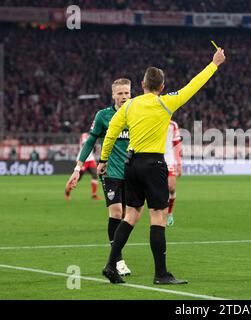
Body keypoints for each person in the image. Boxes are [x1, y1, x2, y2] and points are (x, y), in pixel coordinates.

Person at [98, 47, 226, 284]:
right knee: (158, 217)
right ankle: (161, 274)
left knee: (130, 216)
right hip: (154, 164)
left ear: (142, 84)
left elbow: (111, 133)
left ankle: (110, 264)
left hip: (131, 163)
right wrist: (214, 64)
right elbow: (193, 85)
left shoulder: (129, 105)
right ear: (162, 88)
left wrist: (103, 160)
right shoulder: (166, 102)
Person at [65, 78, 132, 276]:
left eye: (127, 93)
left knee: (128, 217)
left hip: (131, 173)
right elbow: (90, 141)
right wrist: (78, 168)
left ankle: (116, 256)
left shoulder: (137, 113)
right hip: (109, 171)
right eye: (120, 93)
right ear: (113, 95)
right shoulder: (103, 116)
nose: (123, 97)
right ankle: (117, 260)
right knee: (116, 213)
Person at [65, 133, 101, 200]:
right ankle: (67, 191)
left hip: (91, 159)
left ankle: (94, 195)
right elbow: (85, 144)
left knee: (95, 175)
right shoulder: (85, 135)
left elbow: (94, 148)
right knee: (78, 177)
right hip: (82, 159)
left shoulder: (95, 134)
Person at [165, 120, 182, 227]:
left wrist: (179, 163)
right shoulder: (153, 119)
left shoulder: (173, 125)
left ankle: (169, 212)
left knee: (171, 187)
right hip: (155, 157)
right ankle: (160, 212)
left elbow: (177, 145)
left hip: (169, 159)